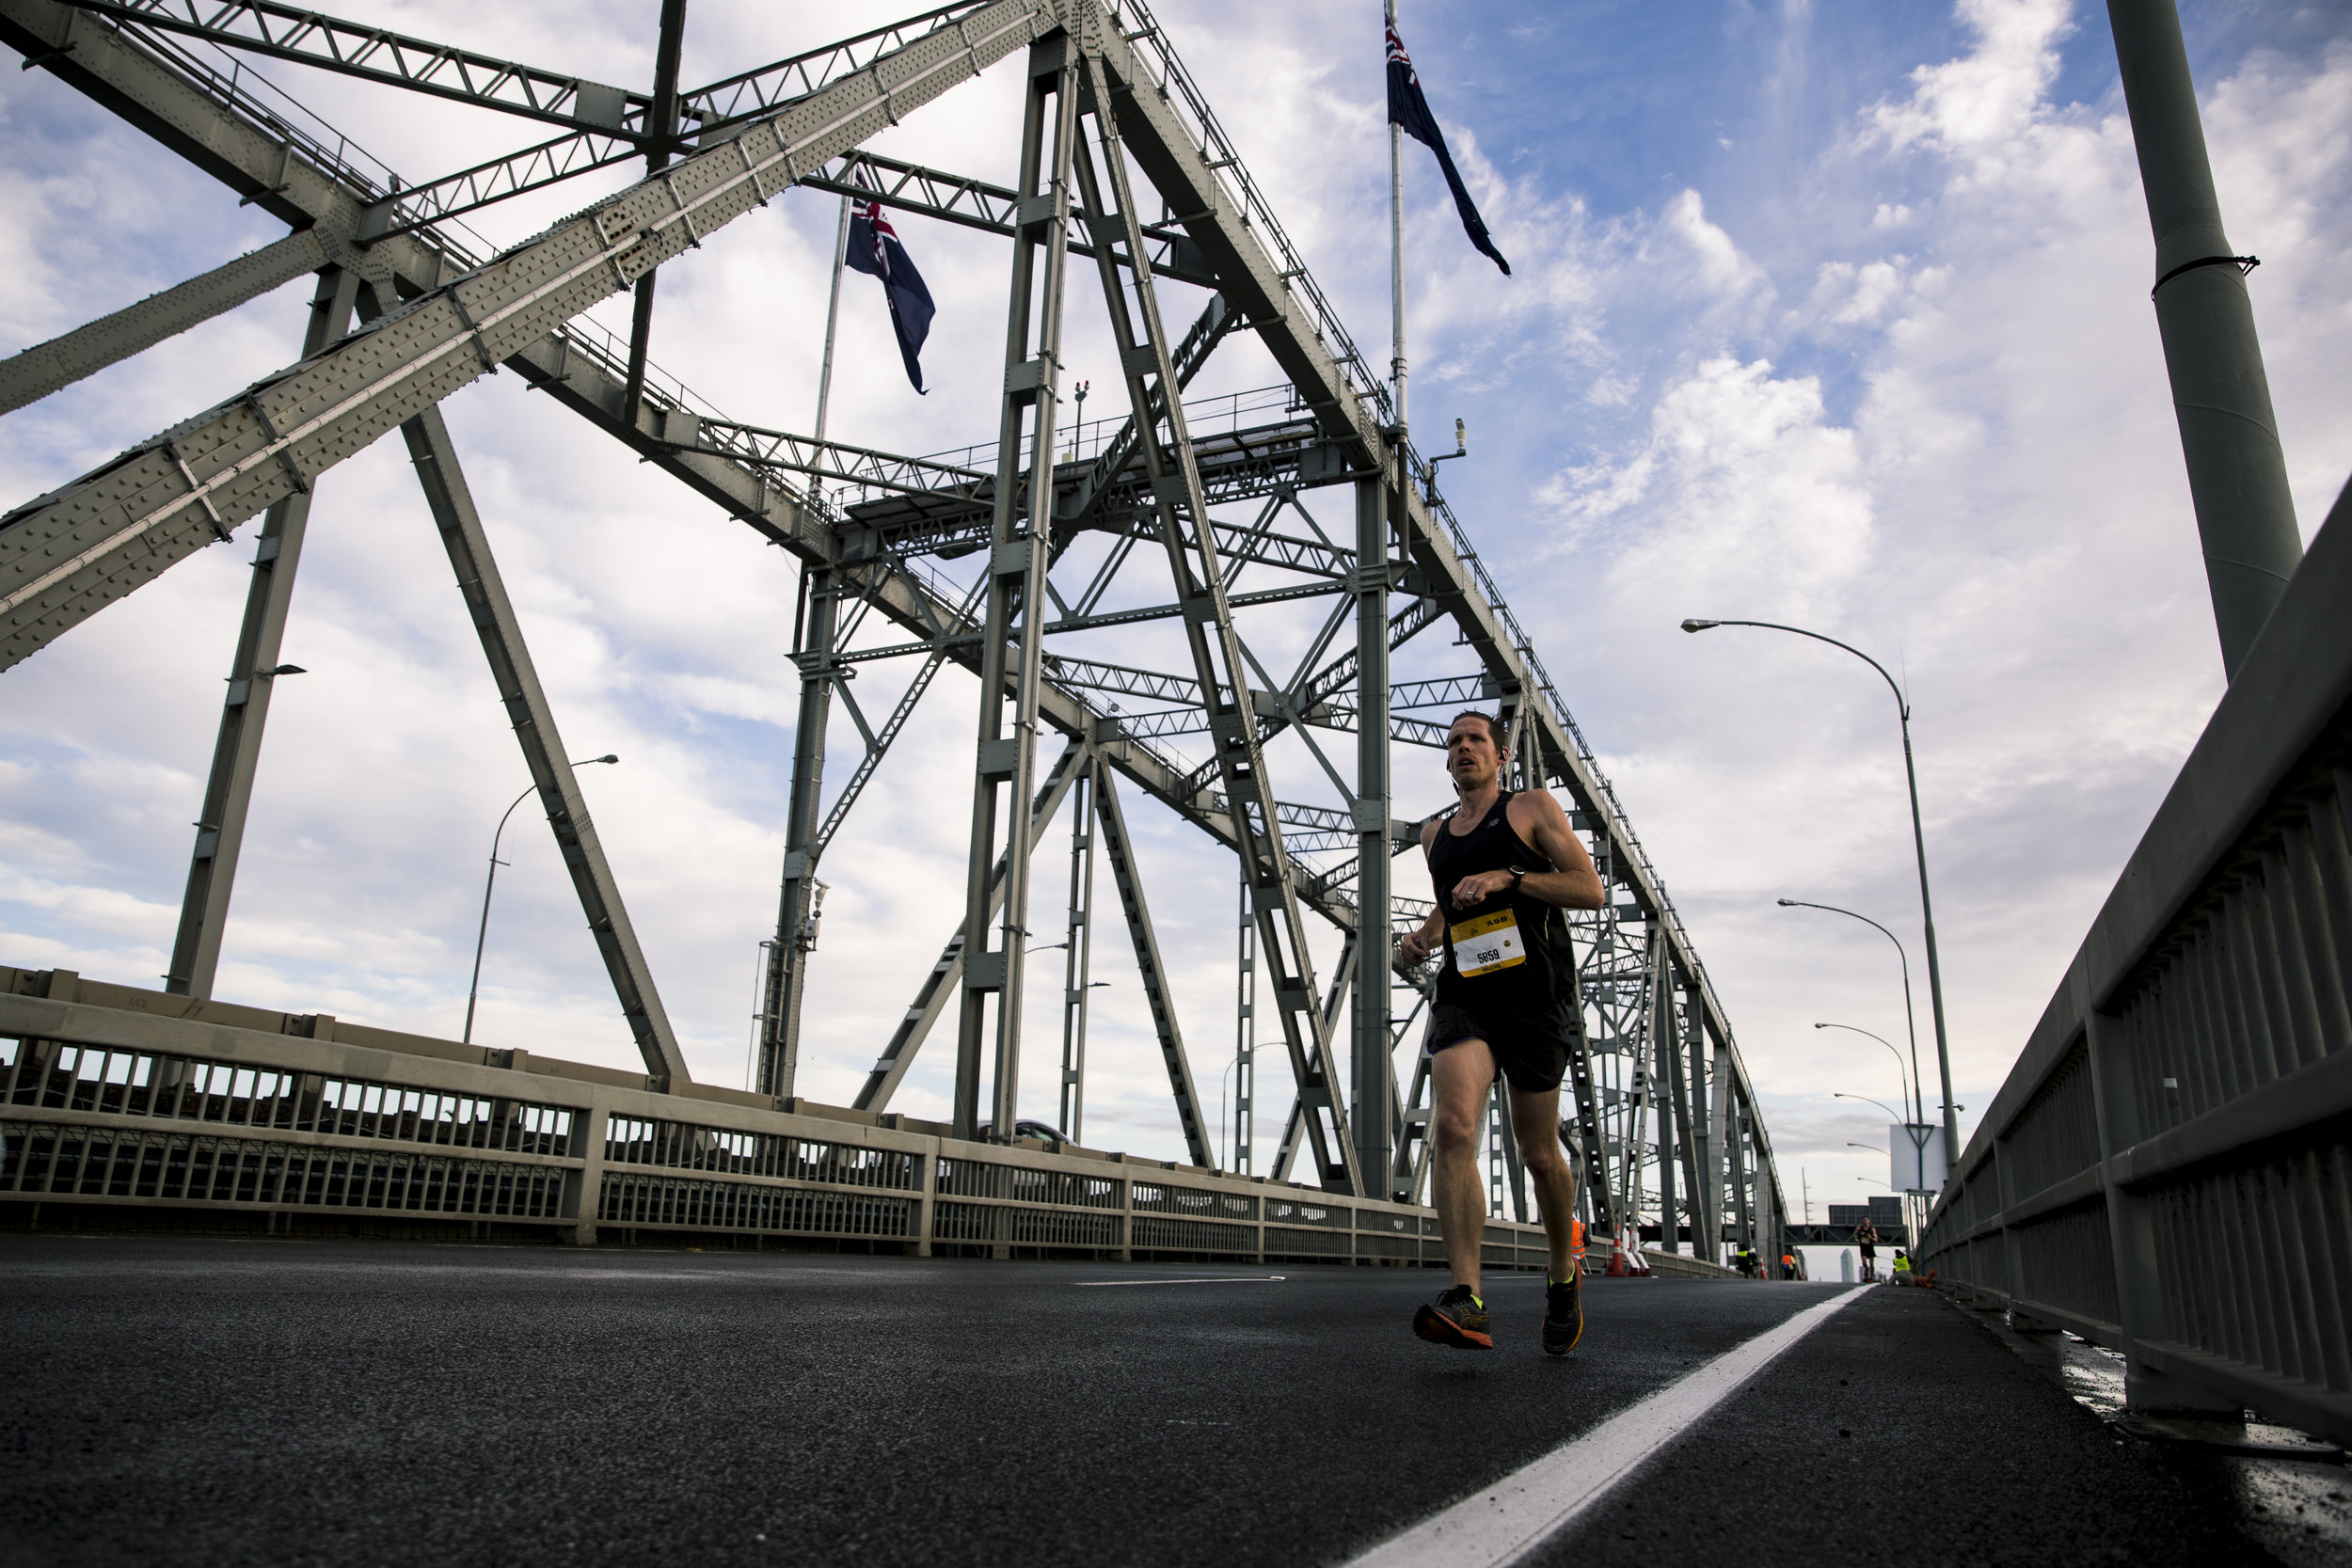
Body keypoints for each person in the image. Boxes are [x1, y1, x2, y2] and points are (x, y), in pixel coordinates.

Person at [1398, 711, 1605, 1354]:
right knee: (1454, 1125)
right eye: (1454, 742)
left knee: (1539, 1154)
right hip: (1468, 996)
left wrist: (1512, 878)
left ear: (1502, 754)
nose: (1464, 749)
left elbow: (1590, 889)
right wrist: (1424, 938)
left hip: (1535, 998)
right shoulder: (1436, 835)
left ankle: (1561, 1272)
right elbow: (1448, 899)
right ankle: (1467, 1295)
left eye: (1476, 740)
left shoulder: (1532, 809)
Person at [1854, 1215, 1880, 1282]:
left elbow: (1876, 1239)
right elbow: (1855, 1234)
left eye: (1866, 1220)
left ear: (1869, 1221)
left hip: (1870, 1247)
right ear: (1862, 1221)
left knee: (1872, 1264)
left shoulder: (1872, 1229)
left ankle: (1872, 1277)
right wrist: (1856, 1239)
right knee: (1864, 1262)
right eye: (1864, 1220)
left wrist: (1871, 1237)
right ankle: (1866, 1268)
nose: (1865, 1221)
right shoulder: (1859, 1228)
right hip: (1863, 1247)